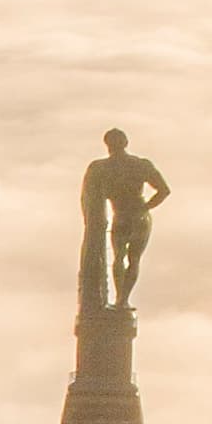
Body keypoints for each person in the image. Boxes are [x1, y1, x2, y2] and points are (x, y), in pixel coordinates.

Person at [80, 130, 170, 308]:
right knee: (133, 259)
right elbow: (164, 190)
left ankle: (121, 298)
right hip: (139, 216)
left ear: (107, 145)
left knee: (119, 257)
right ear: (126, 142)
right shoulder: (140, 165)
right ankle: (123, 300)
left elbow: (90, 198)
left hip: (121, 216)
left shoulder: (100, 168)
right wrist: (145, 207)